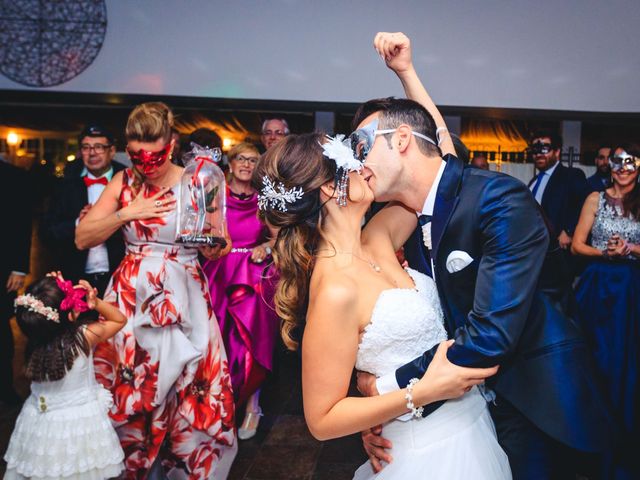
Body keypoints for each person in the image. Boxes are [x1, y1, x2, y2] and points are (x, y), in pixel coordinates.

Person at [354, 32, 610, 479]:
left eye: (361, 146)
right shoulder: (411, 216)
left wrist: (383, 389)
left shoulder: (499, 200)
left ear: (399, 141)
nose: (356, 163)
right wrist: (386, 411)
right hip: (462, 407)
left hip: (537, 403)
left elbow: (490, 337)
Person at [253, 129, 508, 478]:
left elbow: (444, 174)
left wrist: (408, 76)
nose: (364, 166)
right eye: (353, 163)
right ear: (330, 187)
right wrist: (419, 393)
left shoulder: (377, 236)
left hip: (470, 425)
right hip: (421, 451)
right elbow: (322, 419)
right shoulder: (335, 289)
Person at [75, 102, 237, 478]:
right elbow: (83, 237)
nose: (145, 164)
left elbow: (216, 245)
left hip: (185, 296)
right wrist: (126, 213)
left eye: (155, 155)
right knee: (132, 383)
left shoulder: (197, 181)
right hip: (132, 299)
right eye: (135, 156)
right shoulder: (123, 182)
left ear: (172, 143)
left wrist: (216, 245)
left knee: (189, 384)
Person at [4, 272, 126, 479]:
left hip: (39, 424)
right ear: (71, 315)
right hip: (79, 426)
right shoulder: (84, 337)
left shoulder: (34, 338)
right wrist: (95, 303)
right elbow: (119, 319)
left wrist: (55, 286)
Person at [572, 143, 640, 479]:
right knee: (596, 360)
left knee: (627, 364)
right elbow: (577, 244)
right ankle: (590, 441)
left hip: (632, 292)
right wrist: (606, 253)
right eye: (618, 161)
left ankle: (625, 438)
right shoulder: (594, 198)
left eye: (631, 161)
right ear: (609, 166)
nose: (623, 167)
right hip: (597, 290)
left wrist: (630, 249)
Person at [202, 142, 278, 441]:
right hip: (218, 271)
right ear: (230, 165)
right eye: (241, 159)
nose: (246, 164)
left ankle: (252, 406)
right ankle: (217, 404)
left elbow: (279, 238)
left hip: (252, 274)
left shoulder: (265, 200)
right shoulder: (215, 197)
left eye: (252, 159)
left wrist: (265, 246)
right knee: (216, 339)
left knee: (249, 343)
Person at [42, 125, 125, 296]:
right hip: (76, 278)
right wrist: (78, 223)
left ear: (112, 150)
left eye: (99, 147)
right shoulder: (65, 184)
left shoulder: (128, 180)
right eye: (86, 147)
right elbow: (47, 232)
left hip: (119, 275)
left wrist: (110, 221)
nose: (92, 153)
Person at [0, 160, 31, 407]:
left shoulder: (13, 176)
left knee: (1, 326)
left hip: (3, 267)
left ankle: (5, 387)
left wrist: (20, 268)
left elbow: (22, 221)